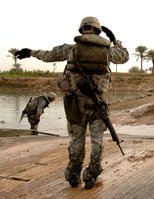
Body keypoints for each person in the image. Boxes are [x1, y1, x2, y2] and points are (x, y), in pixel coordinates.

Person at [15, 16, 129, 189]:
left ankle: (74, 172)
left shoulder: (71, 50)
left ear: (81, 30)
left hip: (75, 105)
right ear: (98, 30)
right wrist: (114, 40)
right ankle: (92, 172)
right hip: (98, 106)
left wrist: (30, 52)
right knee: (98, 140)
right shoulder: (108, 51)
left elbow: (48, 55)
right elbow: (124, 57)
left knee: (76, 140)